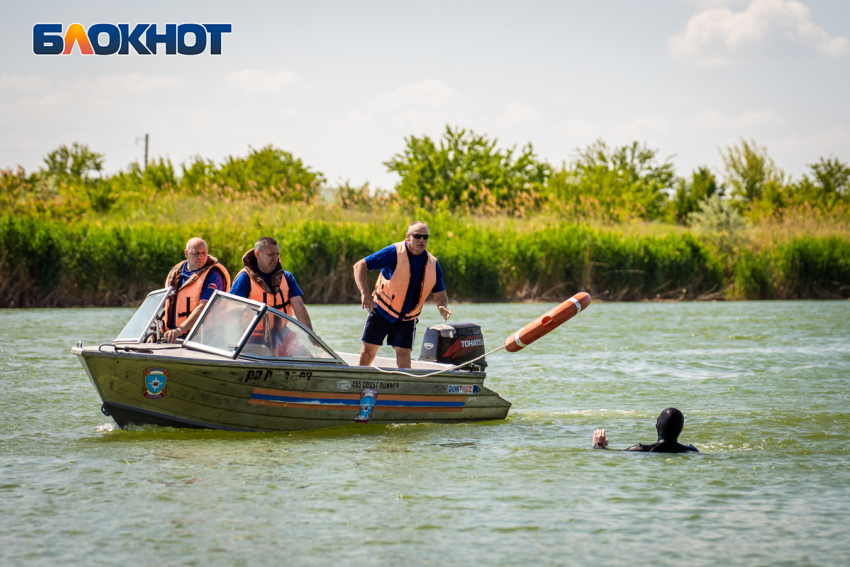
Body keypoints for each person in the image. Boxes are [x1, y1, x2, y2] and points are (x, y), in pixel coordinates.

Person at [353, 221, 451, 368]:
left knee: (404, 355)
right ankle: (359, 382)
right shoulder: (393, 253)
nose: (421, 240)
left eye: (425, 237)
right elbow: (359, 265)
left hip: (407, 318)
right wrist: (365, 294)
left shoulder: (432, 264)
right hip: (380, 311)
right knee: (367, 353)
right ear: (408, 236)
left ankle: (406, 388)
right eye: (417, 236)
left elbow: (441, 295)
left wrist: (442, 306)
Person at [229, 236, 313, 330]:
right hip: (250, 336)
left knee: (301, 345)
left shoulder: (287, 277)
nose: (275, 258)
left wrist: (311, 336)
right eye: (271, 254)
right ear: (258, 255)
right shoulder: (245, 278)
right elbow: (230, 308)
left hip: (281, 333)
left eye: (277, 254)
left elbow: (299, 308)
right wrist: (249, 306)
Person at [163, 237, 231, 343]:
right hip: (179, 337)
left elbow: (204, 307)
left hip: (206, 339)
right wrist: (161, 331)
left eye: (204, 253)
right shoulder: (176, 273)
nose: (201, 257)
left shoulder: (213, 275)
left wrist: (179, 330)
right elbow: (168, 307)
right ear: (186, 254)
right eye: (196, 253)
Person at [593, 407, 699, 453]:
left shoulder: (639, 450)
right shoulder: (691, 450)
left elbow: (612, 455)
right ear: (681, 429)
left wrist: (598, 445)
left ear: (657, 425)